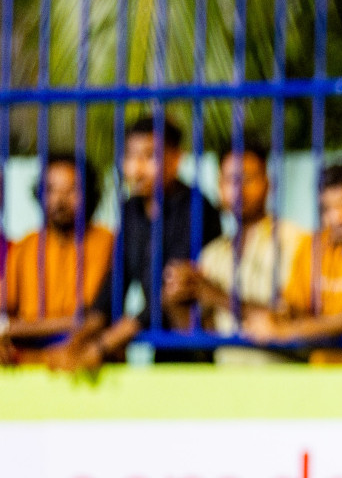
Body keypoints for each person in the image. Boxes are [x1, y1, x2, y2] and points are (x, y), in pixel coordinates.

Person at [45, 116, 221, 373]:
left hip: (200, 342)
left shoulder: (197, 208)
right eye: (130, 156)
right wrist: (76, 343)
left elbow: (173, 290)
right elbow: (114, 284)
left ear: (176, 159)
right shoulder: (131, 210)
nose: (136, 168)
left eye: (150, 156)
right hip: (161, 345)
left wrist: (105, 344)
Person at [242, 164, 342, 352]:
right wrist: (275, 318)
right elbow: (294, 306)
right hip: (321, 366)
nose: (337, 218)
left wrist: (286, 331)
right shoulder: (313, 246)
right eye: (327, 209)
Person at [162, 142, 305, 340]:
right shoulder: (212, 254)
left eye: (247, 178)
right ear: (219, 187)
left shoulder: (296, 242)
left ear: (268, 183)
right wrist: (175, 302)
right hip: (225, 370)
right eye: (230, 180)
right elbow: (205, 337)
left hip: (279, 368)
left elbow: (295, 319)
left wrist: (215, 295)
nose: (239, 189)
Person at [1, 155, 110, 364]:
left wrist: (18, 328)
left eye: (72, 190)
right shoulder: (25, 247)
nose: (60, 200)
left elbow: (95, 318)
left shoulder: (108, 243)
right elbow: (4, 313)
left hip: (88, 360)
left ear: (89, 193)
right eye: (51, 190)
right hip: (28, 364)